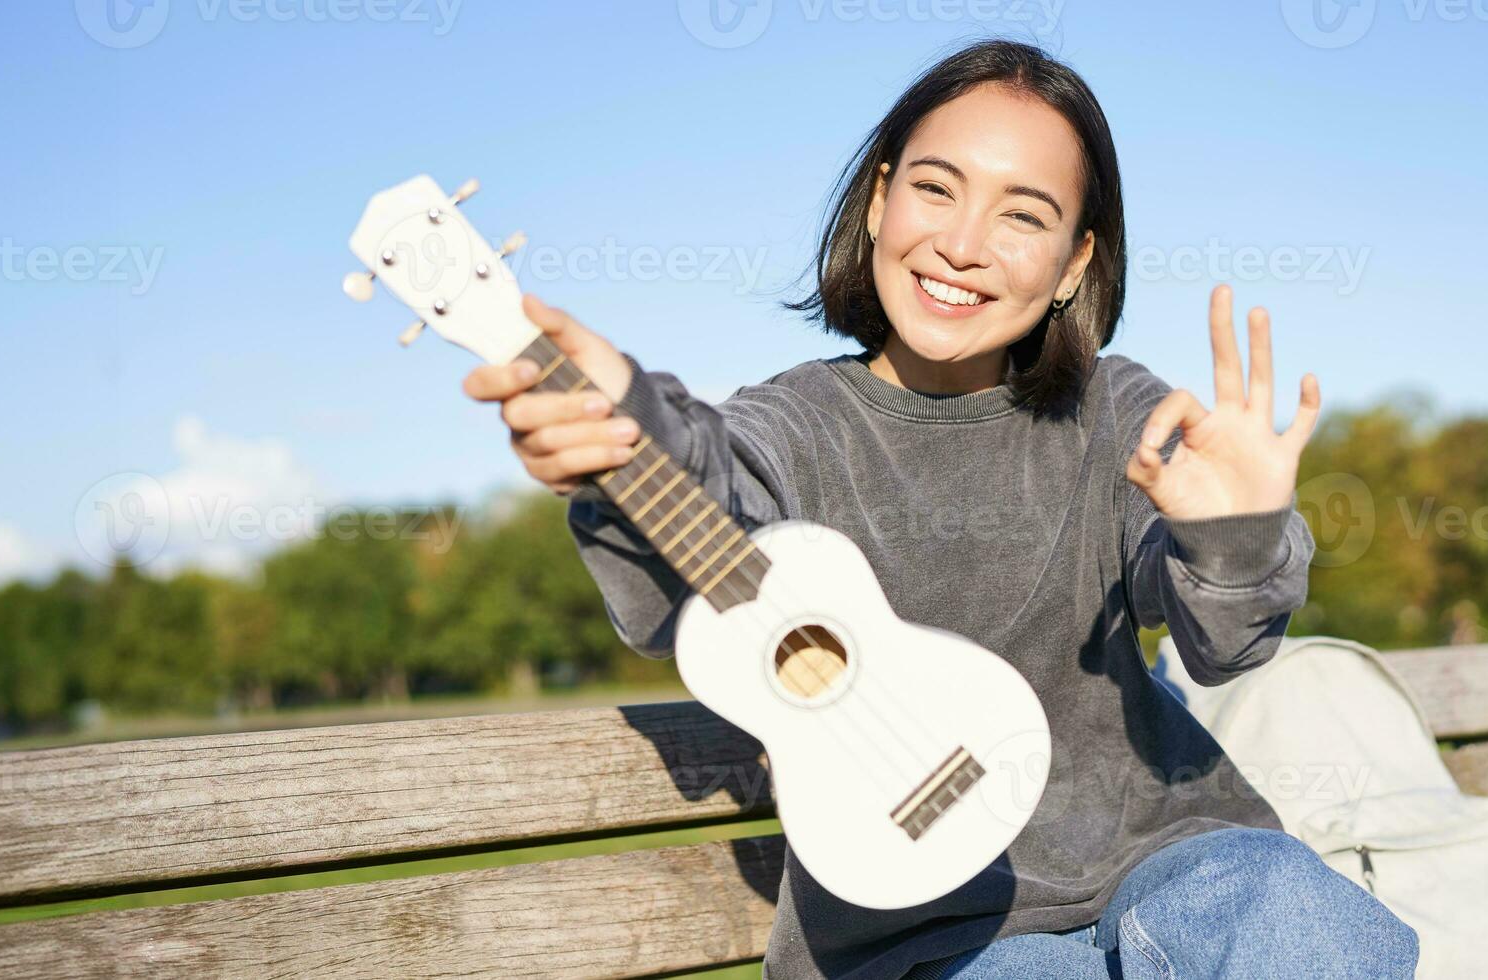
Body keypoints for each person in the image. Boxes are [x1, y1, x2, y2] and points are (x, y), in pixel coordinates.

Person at [462, 40, 1418, 980]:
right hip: (926, 934)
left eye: (1023, 215)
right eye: (934, 188)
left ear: (1076, 263)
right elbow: (710, 489)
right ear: (878, 201)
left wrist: (1237, 536)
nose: (961, 244)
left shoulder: (1115, 411)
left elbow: (1224, 645)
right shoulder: (797, 425)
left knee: (1295, 919)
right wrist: (625, 427)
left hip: (1166, 855)